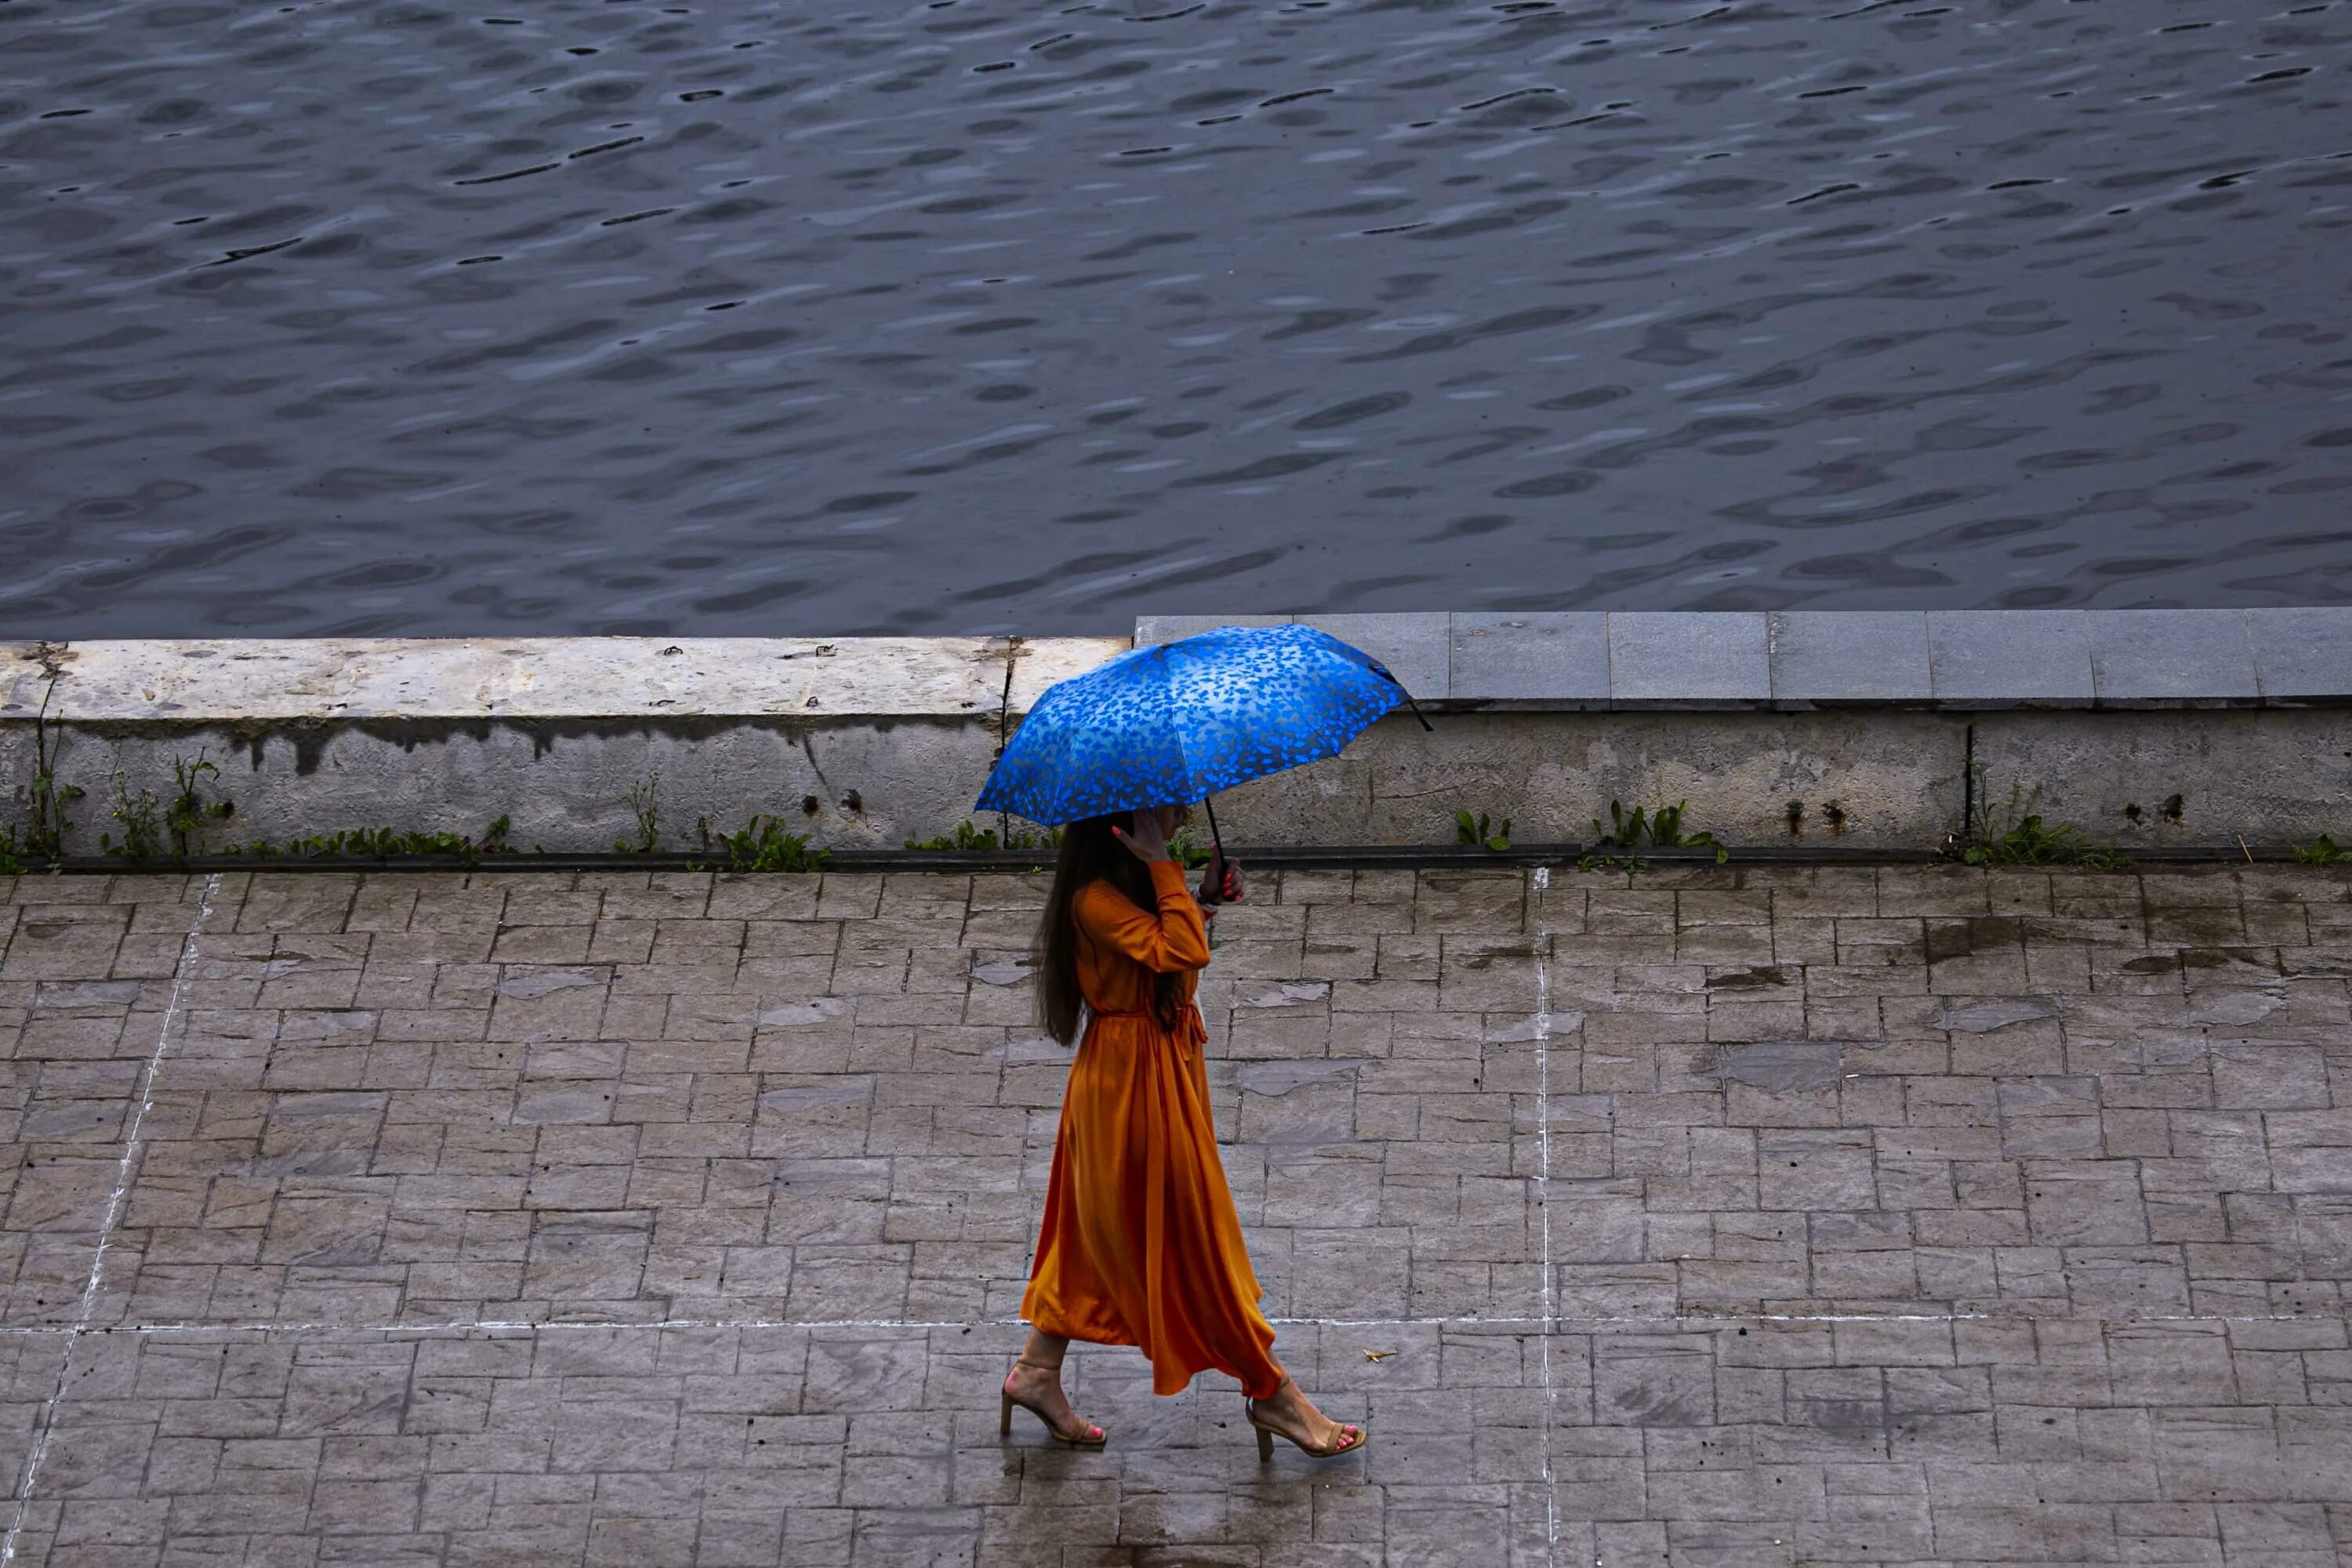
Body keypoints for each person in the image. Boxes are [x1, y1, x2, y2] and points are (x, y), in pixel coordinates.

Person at [999, 803, 1367, 1461]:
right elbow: (1183, 950)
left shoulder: (1131, 889)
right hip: (1129, 1089)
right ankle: (1270, 1390)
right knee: (1195, 1244)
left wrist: (1197, 897)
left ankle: (1035, 1372)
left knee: (1087, 1234)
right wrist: (1169, 874)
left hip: (1155, 1070)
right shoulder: (1094, 901)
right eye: (1168, 802)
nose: (1182, 811)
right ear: (1129, 820)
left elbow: (1178, 967)